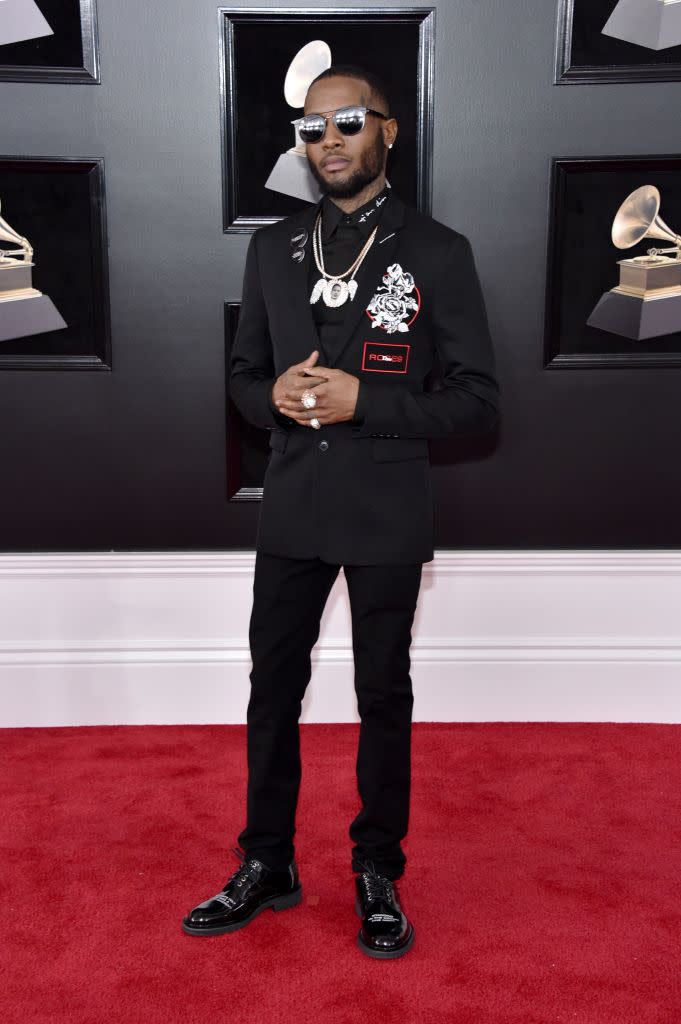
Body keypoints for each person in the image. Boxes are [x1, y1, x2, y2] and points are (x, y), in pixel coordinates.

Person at [182, 65, 498, 959]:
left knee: (379, 693)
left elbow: (477, 403)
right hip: (292, 501)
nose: (327, 140)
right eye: (311, 127)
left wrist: (369, 402)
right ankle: (267, 862)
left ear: (387, 132)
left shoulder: (439, 251)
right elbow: (241, 378)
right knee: (271, 688)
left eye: (347, 122)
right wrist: (270, 395)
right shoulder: (273, 247)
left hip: (386, 503)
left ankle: (376, 869)